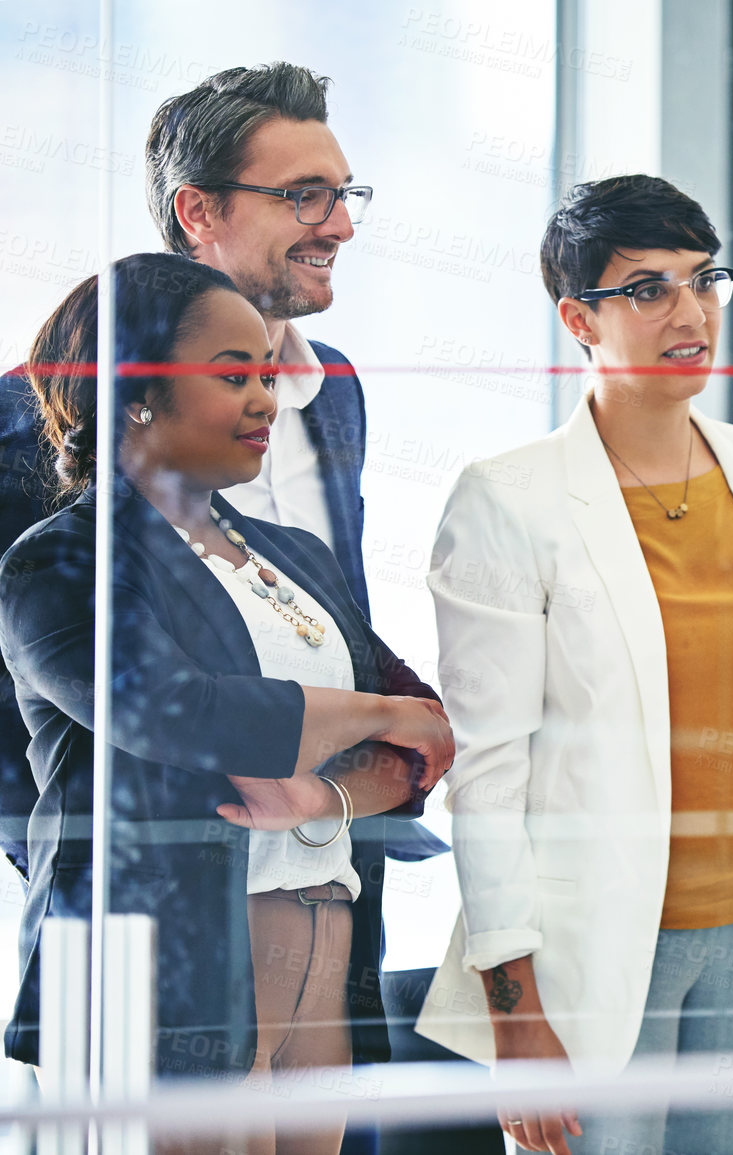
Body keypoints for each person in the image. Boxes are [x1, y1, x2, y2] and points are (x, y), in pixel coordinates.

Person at [414, 175, 733, 1155]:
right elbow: (490, 779)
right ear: (577, 318)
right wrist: (517, 1017)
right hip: (598, 945)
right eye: (647, 289)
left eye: (702, 279)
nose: (691, 312)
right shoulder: (509, 500)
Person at [0, 253, 454, 1154]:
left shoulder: (296, 556)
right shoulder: (58, 563)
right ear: (137, 394)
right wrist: (369, 715)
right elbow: (179, 713)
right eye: (231, 375)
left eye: (267, 375)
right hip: (159, 966)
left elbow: (428, 735)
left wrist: (325, 795)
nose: (266, 400)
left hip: (325, 942)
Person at [0, 62, 447, 879]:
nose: (340, 225)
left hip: (331, 860)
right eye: (305, 195)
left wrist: (353, 793)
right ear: (199, 210)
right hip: (151, 891)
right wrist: (58, 859)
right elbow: (33, 669)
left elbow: (338, 628)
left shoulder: (333, 391)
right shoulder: (39, 411)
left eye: (348, 194)